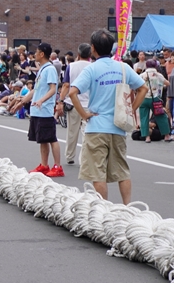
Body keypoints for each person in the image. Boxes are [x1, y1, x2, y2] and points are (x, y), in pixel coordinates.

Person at [68, 30, 148, 203]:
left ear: (93, 48)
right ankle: (128, 206)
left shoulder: (91, 69)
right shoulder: (123, 67)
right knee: (122, 171)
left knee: (97, 173)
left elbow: (72, 92)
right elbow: (143, 89)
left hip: (96, 126)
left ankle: (104, 209)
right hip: (118, 126)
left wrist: (84, 114)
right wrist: (131, 110)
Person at [11, 43, 64, 177]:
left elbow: (53, 89)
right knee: (42, 139)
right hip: (37, 110)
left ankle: (58, 166)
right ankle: (44, 165)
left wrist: (41, 100)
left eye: (36, 52)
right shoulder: (42, 69)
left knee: (51, 138)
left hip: (45, 110)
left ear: (42, 54)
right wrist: (24, 100)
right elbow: (36, 89)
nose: (34, 54)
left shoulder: (50, 69)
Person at [56, 43, 91, 165]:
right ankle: (83, 158)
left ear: (78, 54)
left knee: (72, 131)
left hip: (72, 102)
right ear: (90, 55)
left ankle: (70, 156)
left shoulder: (71, 66)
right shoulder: (93, 66)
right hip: (88, 103)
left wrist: (60, 101)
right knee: (86, 132)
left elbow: (66, 85)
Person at [139, 59, 172, 143]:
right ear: (155, 66)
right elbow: (168, 83)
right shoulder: (158, 75)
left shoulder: (142, 75)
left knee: (144, 118)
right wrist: (160, 85)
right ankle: (167, 136)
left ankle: (147, 137)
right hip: (155, 99)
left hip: (143, 99)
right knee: (161, 117)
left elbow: (136, 86)